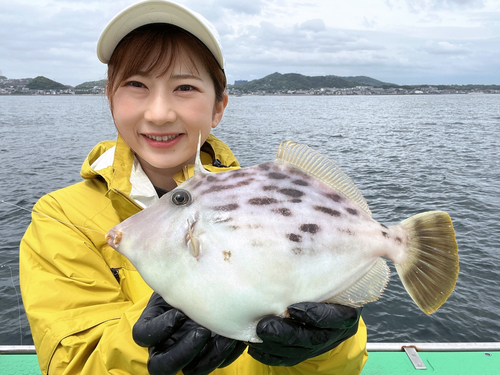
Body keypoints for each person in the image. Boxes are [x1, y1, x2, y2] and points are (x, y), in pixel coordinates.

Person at [19, 1, 368, 374]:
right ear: (110, 98)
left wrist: (325, 348)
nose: (158, 113)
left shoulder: (269, 205)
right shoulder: (61, 219)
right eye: (136, 85)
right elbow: (72, 363)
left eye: (184, 87)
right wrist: (147, 345)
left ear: (218, 107)